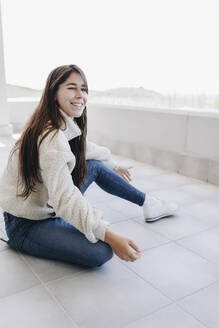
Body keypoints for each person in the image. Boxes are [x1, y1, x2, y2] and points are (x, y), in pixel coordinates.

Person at [0, 64, 178, 267]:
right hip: (26, 225)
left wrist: (114, 165)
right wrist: (109, 235)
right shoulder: (51, 139)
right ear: (54, 92)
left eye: (83, 89)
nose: (80, 95)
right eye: (71, 87)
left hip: (46, 207)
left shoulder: (55, 122)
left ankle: (149, 203)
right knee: (102, 251)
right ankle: (48, 229)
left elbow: (85, 148)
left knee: (94, 165)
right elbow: (66, 199)